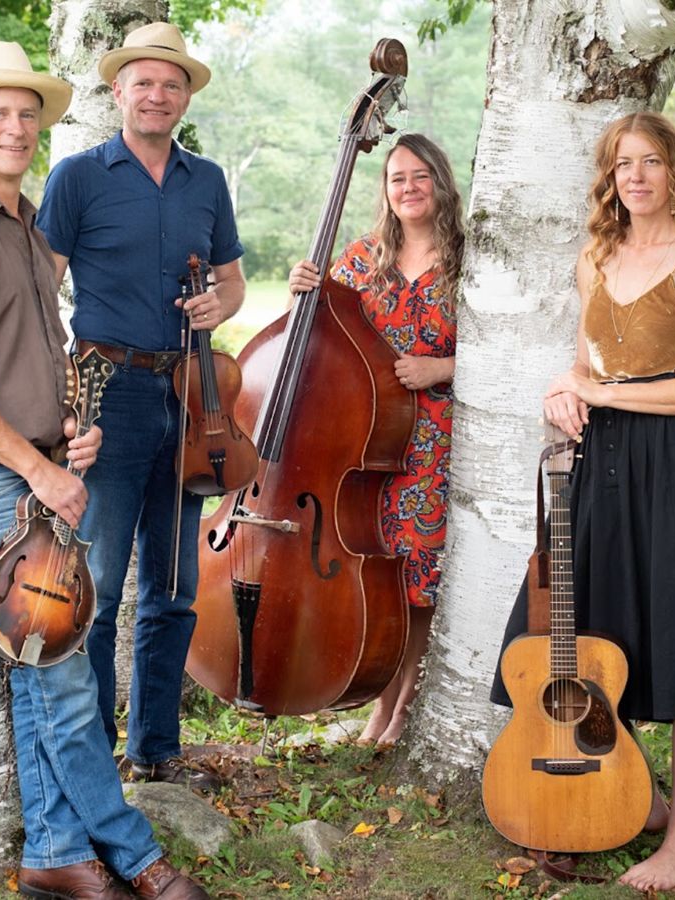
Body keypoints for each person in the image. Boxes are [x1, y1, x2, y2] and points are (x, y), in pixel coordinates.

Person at [0, 41, 208, 900]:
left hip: (34, 471)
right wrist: (38, 465)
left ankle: (55, 856)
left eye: (28, 113)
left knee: (42, 666)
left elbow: (24, 356)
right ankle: (136, 856)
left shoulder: (29, 229)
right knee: (66, 678)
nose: (16, 127)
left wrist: (64, 427)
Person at [490, 111, 675, 892]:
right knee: (601, 631)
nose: (635, 177)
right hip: (602, 463)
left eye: (650, 162)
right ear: (609, 179)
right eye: (621, 165)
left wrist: (600, 392)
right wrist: (564, 392)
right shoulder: (596, 257)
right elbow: (583, 365)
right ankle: (632, 797)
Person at [36, 22, 245, 793]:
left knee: (174, 584)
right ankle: (89, 756)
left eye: (172, 83)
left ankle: (157, 749)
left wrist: (215, 308)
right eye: (144, 82)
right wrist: (61, 396)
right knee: (94, 583)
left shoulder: (208, 180)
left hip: (190, 394)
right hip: (107, 395)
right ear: (118, 90)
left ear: (186, 96)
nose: (158, 95)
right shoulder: (79, 177)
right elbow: (40, 287)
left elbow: (232, 283)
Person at [287, 133, 462, 747]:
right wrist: (304, 290)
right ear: (385, 191)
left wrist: (442, 368)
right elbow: (322, 331)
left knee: (416, 579)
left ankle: (405, 701)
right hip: (363, 446)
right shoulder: (363, 259)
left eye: (420, 176)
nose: (409, 188)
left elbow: (507, 353)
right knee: (375, 573)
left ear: (440, 182)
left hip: (430, 446)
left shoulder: (470, 261)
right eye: (397, 178)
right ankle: (379, 700)